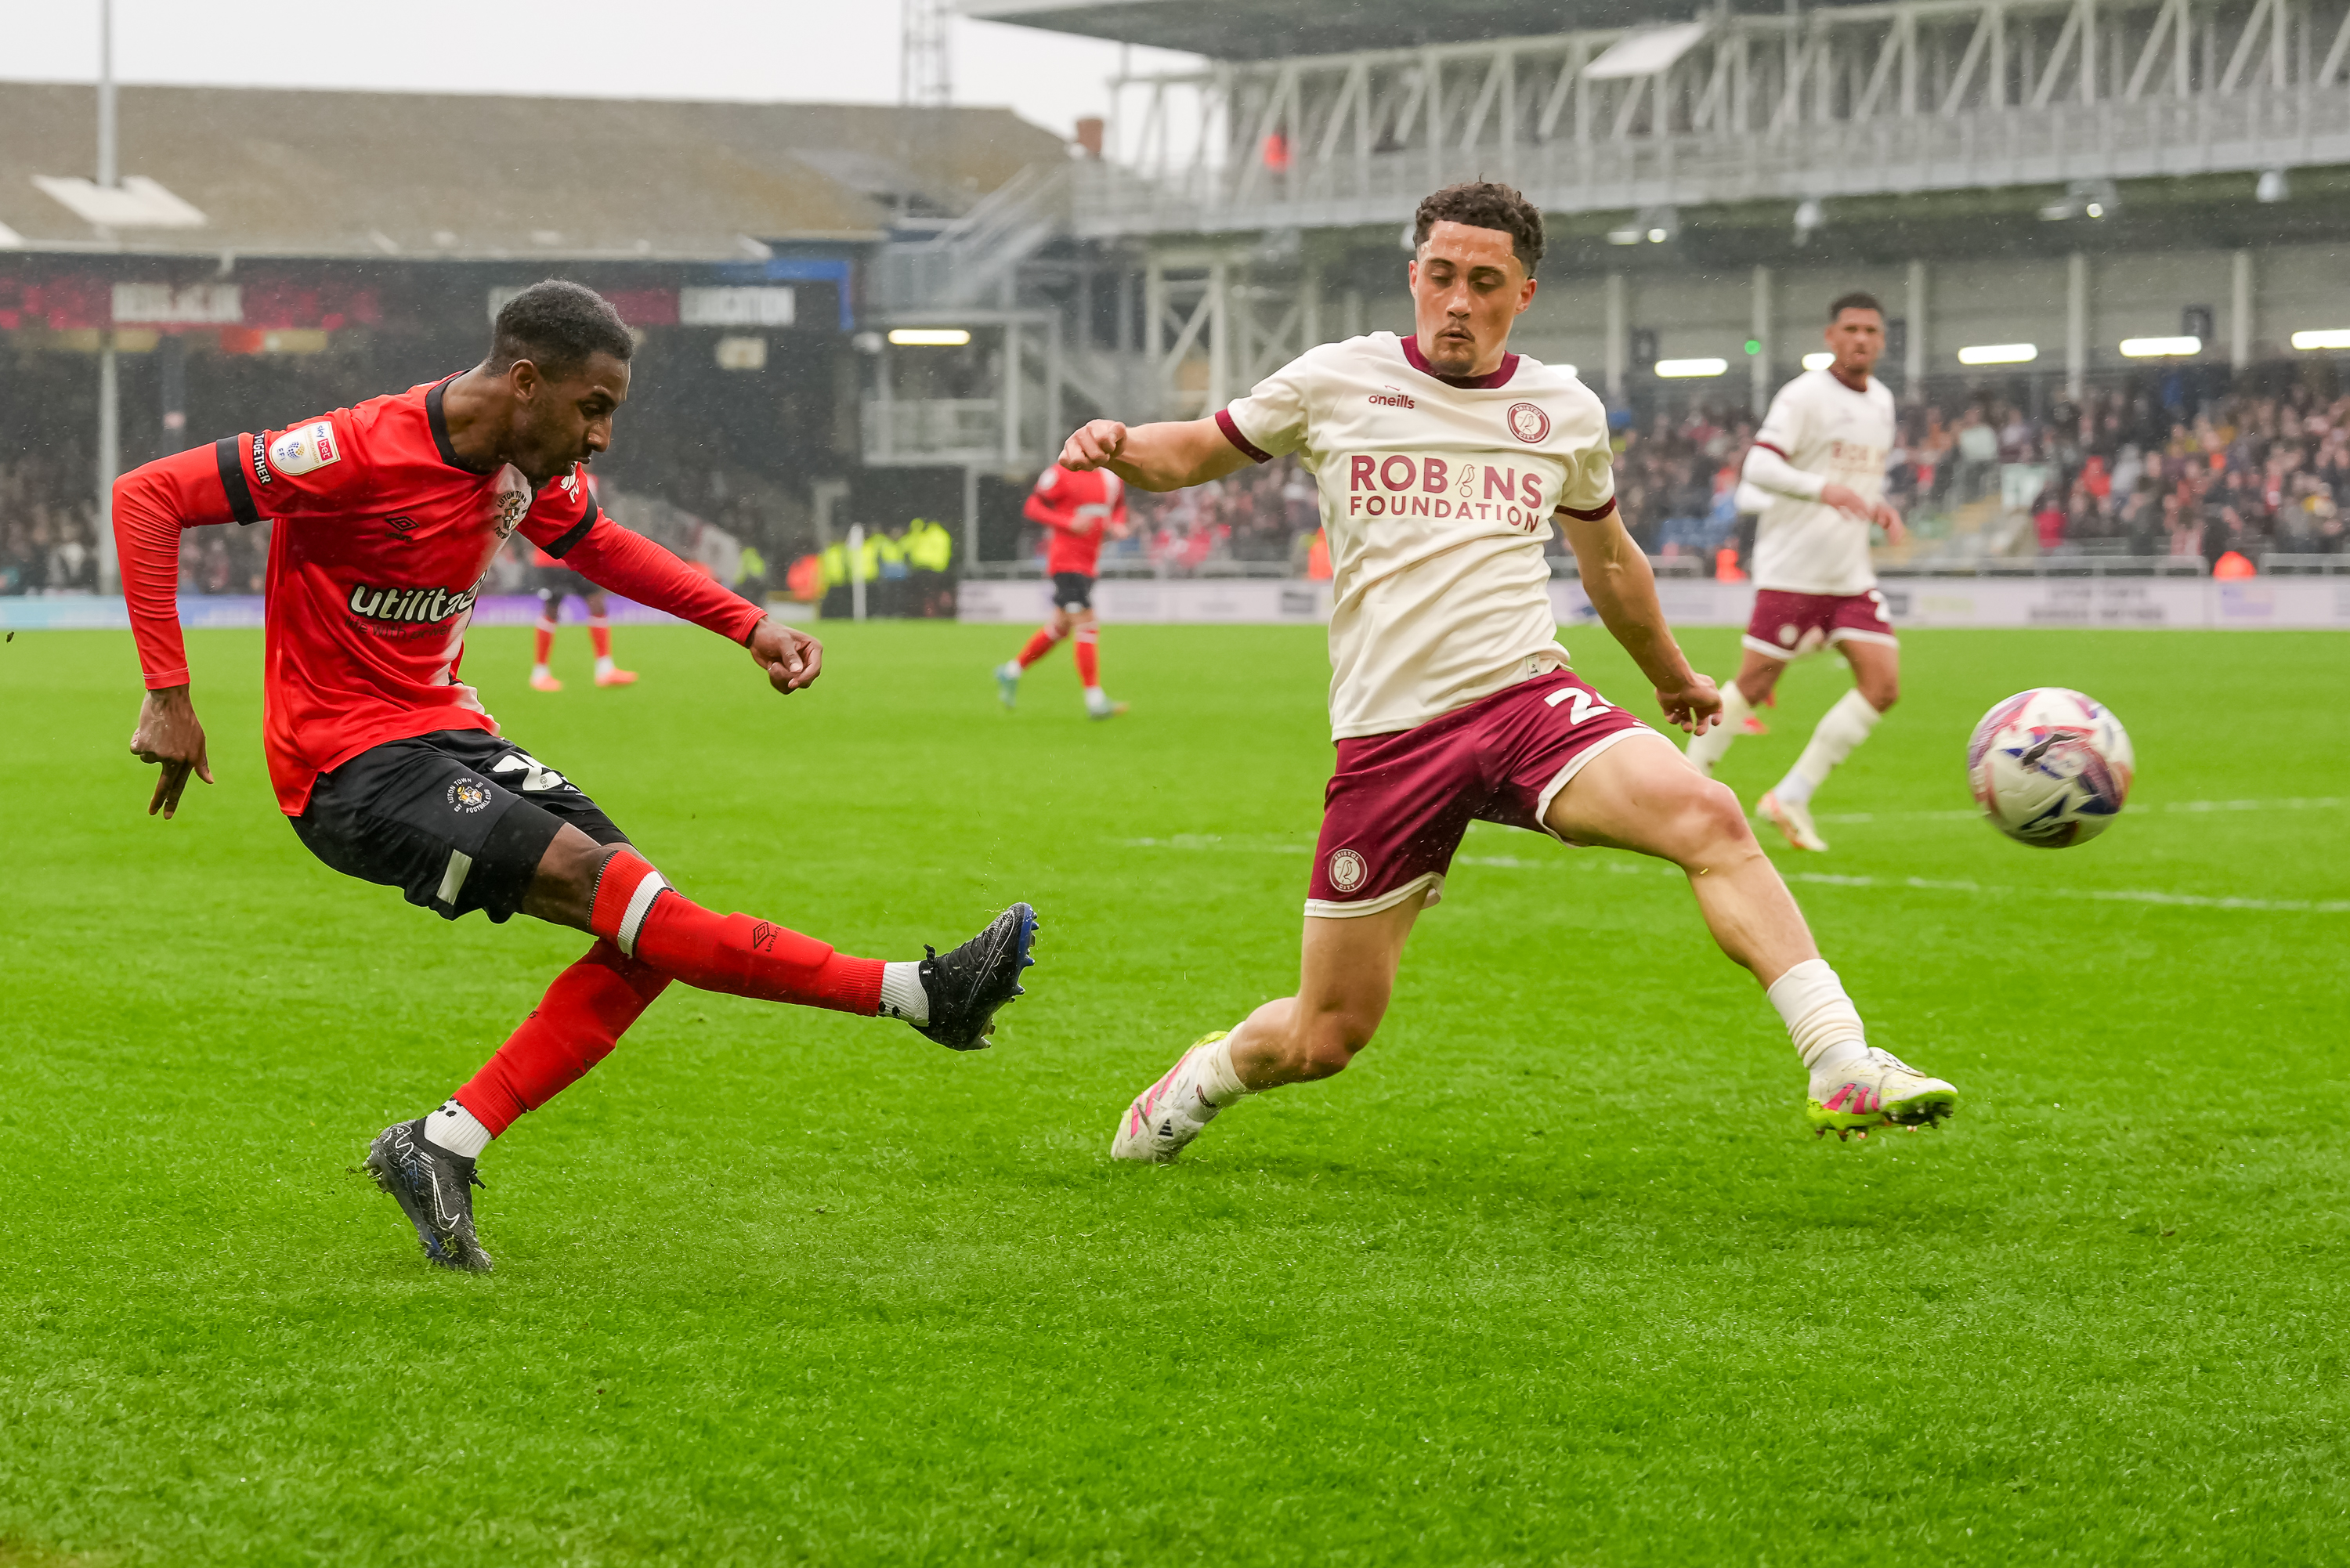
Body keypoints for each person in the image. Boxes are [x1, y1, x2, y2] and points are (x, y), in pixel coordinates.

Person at [113, 280, 1039, 1272]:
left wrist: (749, 623)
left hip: (447, 735)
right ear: (525, 382)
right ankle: (917, 994)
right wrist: (169, 690)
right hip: (350, 766)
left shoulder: (519, 467)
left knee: (650, 935)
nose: (601, 437)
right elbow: (148, 494)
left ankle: (441, 1144)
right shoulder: (353, 449)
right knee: (643, 914)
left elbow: (600, 543)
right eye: (592, 407)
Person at [1051, 182, 1955, 1163]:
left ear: (1521, 293)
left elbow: (1609, 559)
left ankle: (1840, 1061)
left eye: (1485, 282)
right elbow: (1190, 452)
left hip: (1528, 700)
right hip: (1392, 739)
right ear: (1414, 276)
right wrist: (1120, 446)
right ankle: (1206, 1074)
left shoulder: (1561, 410)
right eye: (1441, 276)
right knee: (1325, 1036)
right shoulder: (1335, 380)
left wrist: (1672, 674)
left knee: (1709, 816)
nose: (1458, 301)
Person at [1683, 294, 1909, 854]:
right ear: (1830, 336)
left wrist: (1877, 504)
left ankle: (1793, 795)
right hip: (1793, 571)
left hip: (1850, 574)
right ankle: (1688, 787)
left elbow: (1858, 476)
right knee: (1755, 685)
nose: (1861, 339)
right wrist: (1821, 489)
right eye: (1851, 329)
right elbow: (1758, 465)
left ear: (1882, 341)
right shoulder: (1805, 395)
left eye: (1871, 331)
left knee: (1882, 686)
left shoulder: (1882, 401)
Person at [994, 460, 1129, 719]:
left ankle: (1010, 671)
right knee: (1088, 625)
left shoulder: (1112, 479)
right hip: (1066, 563)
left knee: (1060, 627)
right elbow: (1033, 507)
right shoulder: (1059, 473)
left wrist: (1119, 524)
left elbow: (1119, 507)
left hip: (1090, 564)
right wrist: (1067, 522)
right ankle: (1095, 701)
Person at [527, 481, 636, 689]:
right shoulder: (550, 475)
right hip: (552, 556)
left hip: (579, 554)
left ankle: (605, 669)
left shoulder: (591, 480)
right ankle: (540, 673)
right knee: (552, 609)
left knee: (597, 602)